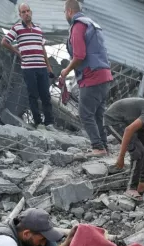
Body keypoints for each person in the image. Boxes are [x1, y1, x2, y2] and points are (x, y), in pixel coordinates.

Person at [60, 0, 113, 155]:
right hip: (104, 75)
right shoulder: (92, 24)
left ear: (69, 11)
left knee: (85, 114)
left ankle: (97, 147)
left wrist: (66, 71)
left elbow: (79, 56)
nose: (65, 15)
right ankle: (103, 146)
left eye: (64, 12)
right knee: (97, 114)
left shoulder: (78, 26)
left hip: (92, 77)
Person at [2, 4, 55, 131]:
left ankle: (49, 123)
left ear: (31, 12)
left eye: (28, 11)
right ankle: (38, 122)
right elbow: (4, 41)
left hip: (41, 66)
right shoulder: (17, 28)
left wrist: (49, 67)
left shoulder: (38, 29)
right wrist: (17, 52)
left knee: (46, 95)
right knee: (33, 95)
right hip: (28, 68)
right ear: (20, 15)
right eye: (23, 12)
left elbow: (43, 48)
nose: (26, 14)